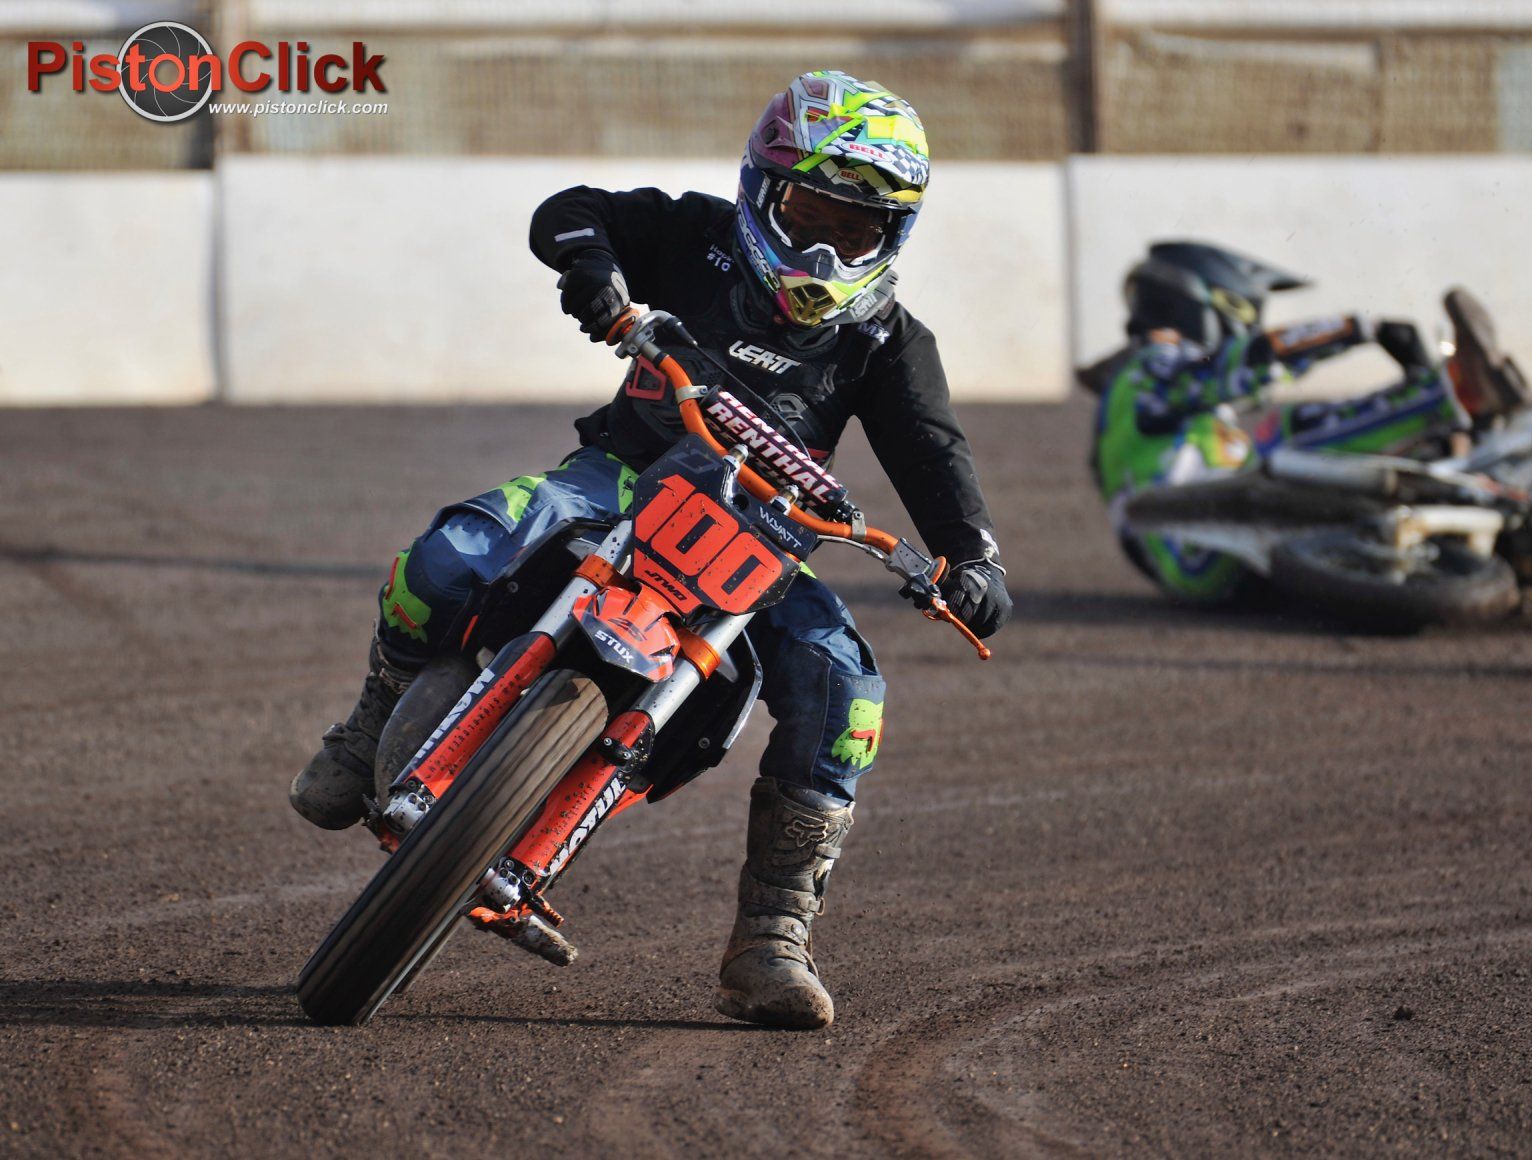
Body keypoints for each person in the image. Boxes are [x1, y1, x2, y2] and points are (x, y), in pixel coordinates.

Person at [288, 71, 1012, 1030]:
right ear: (765, 186)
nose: (827, 244)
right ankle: (368, 720)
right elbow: (571, 210)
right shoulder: (696, 235)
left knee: (849, 698)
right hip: (620, 476)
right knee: (452, 550)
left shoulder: (887, 338)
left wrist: (973, 557)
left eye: (857, 229)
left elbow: (932, 451)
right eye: (810, 210)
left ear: (894, 238)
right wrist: (594, 272)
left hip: (763, 543)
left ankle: (773, 936)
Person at [1084, 243, 1527, 603]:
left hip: (1203, 546)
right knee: (1288, 432)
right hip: (1198, 543)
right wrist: (1359, 329)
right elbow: (1240, 365)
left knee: (1286, 439)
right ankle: (1456, 393)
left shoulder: (1141, 401)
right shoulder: (1146, 370)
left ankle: (1457, 467)